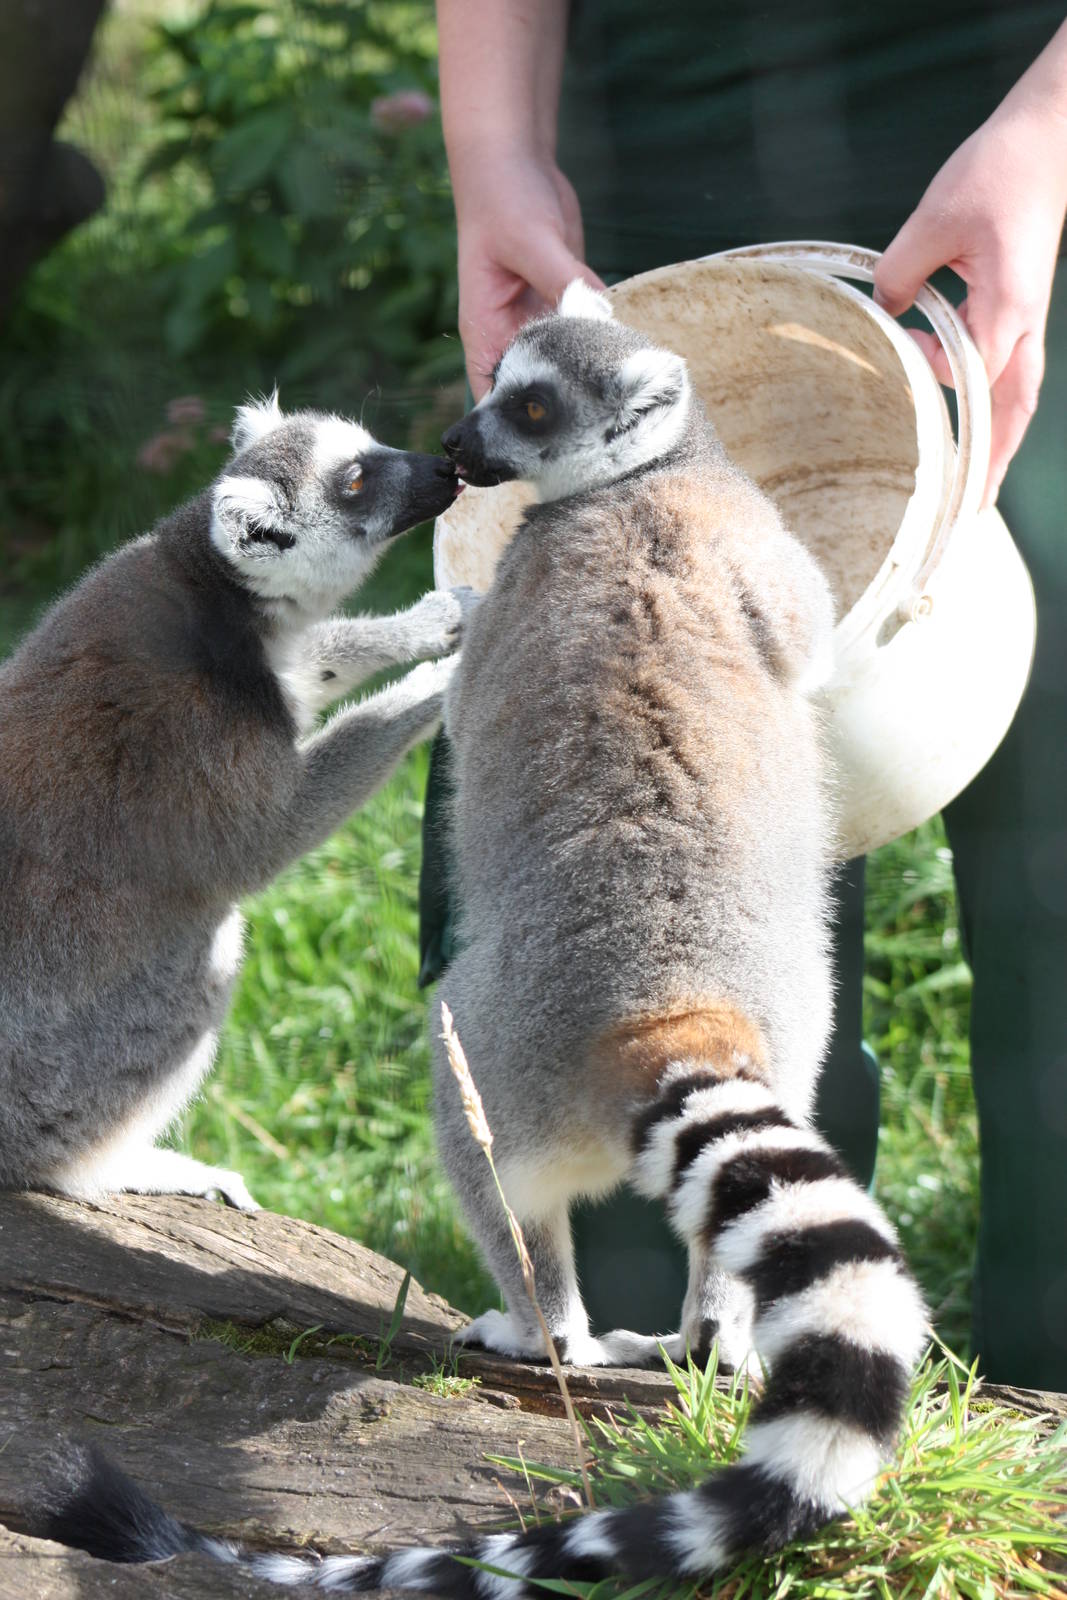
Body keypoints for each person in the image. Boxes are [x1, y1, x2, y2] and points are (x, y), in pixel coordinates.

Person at [422, 0, 1067, 1390]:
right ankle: (627, 1416)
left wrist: (1047, 133)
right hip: (654, 134)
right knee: (590, 918)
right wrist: (492, 143)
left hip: (1017, 108)